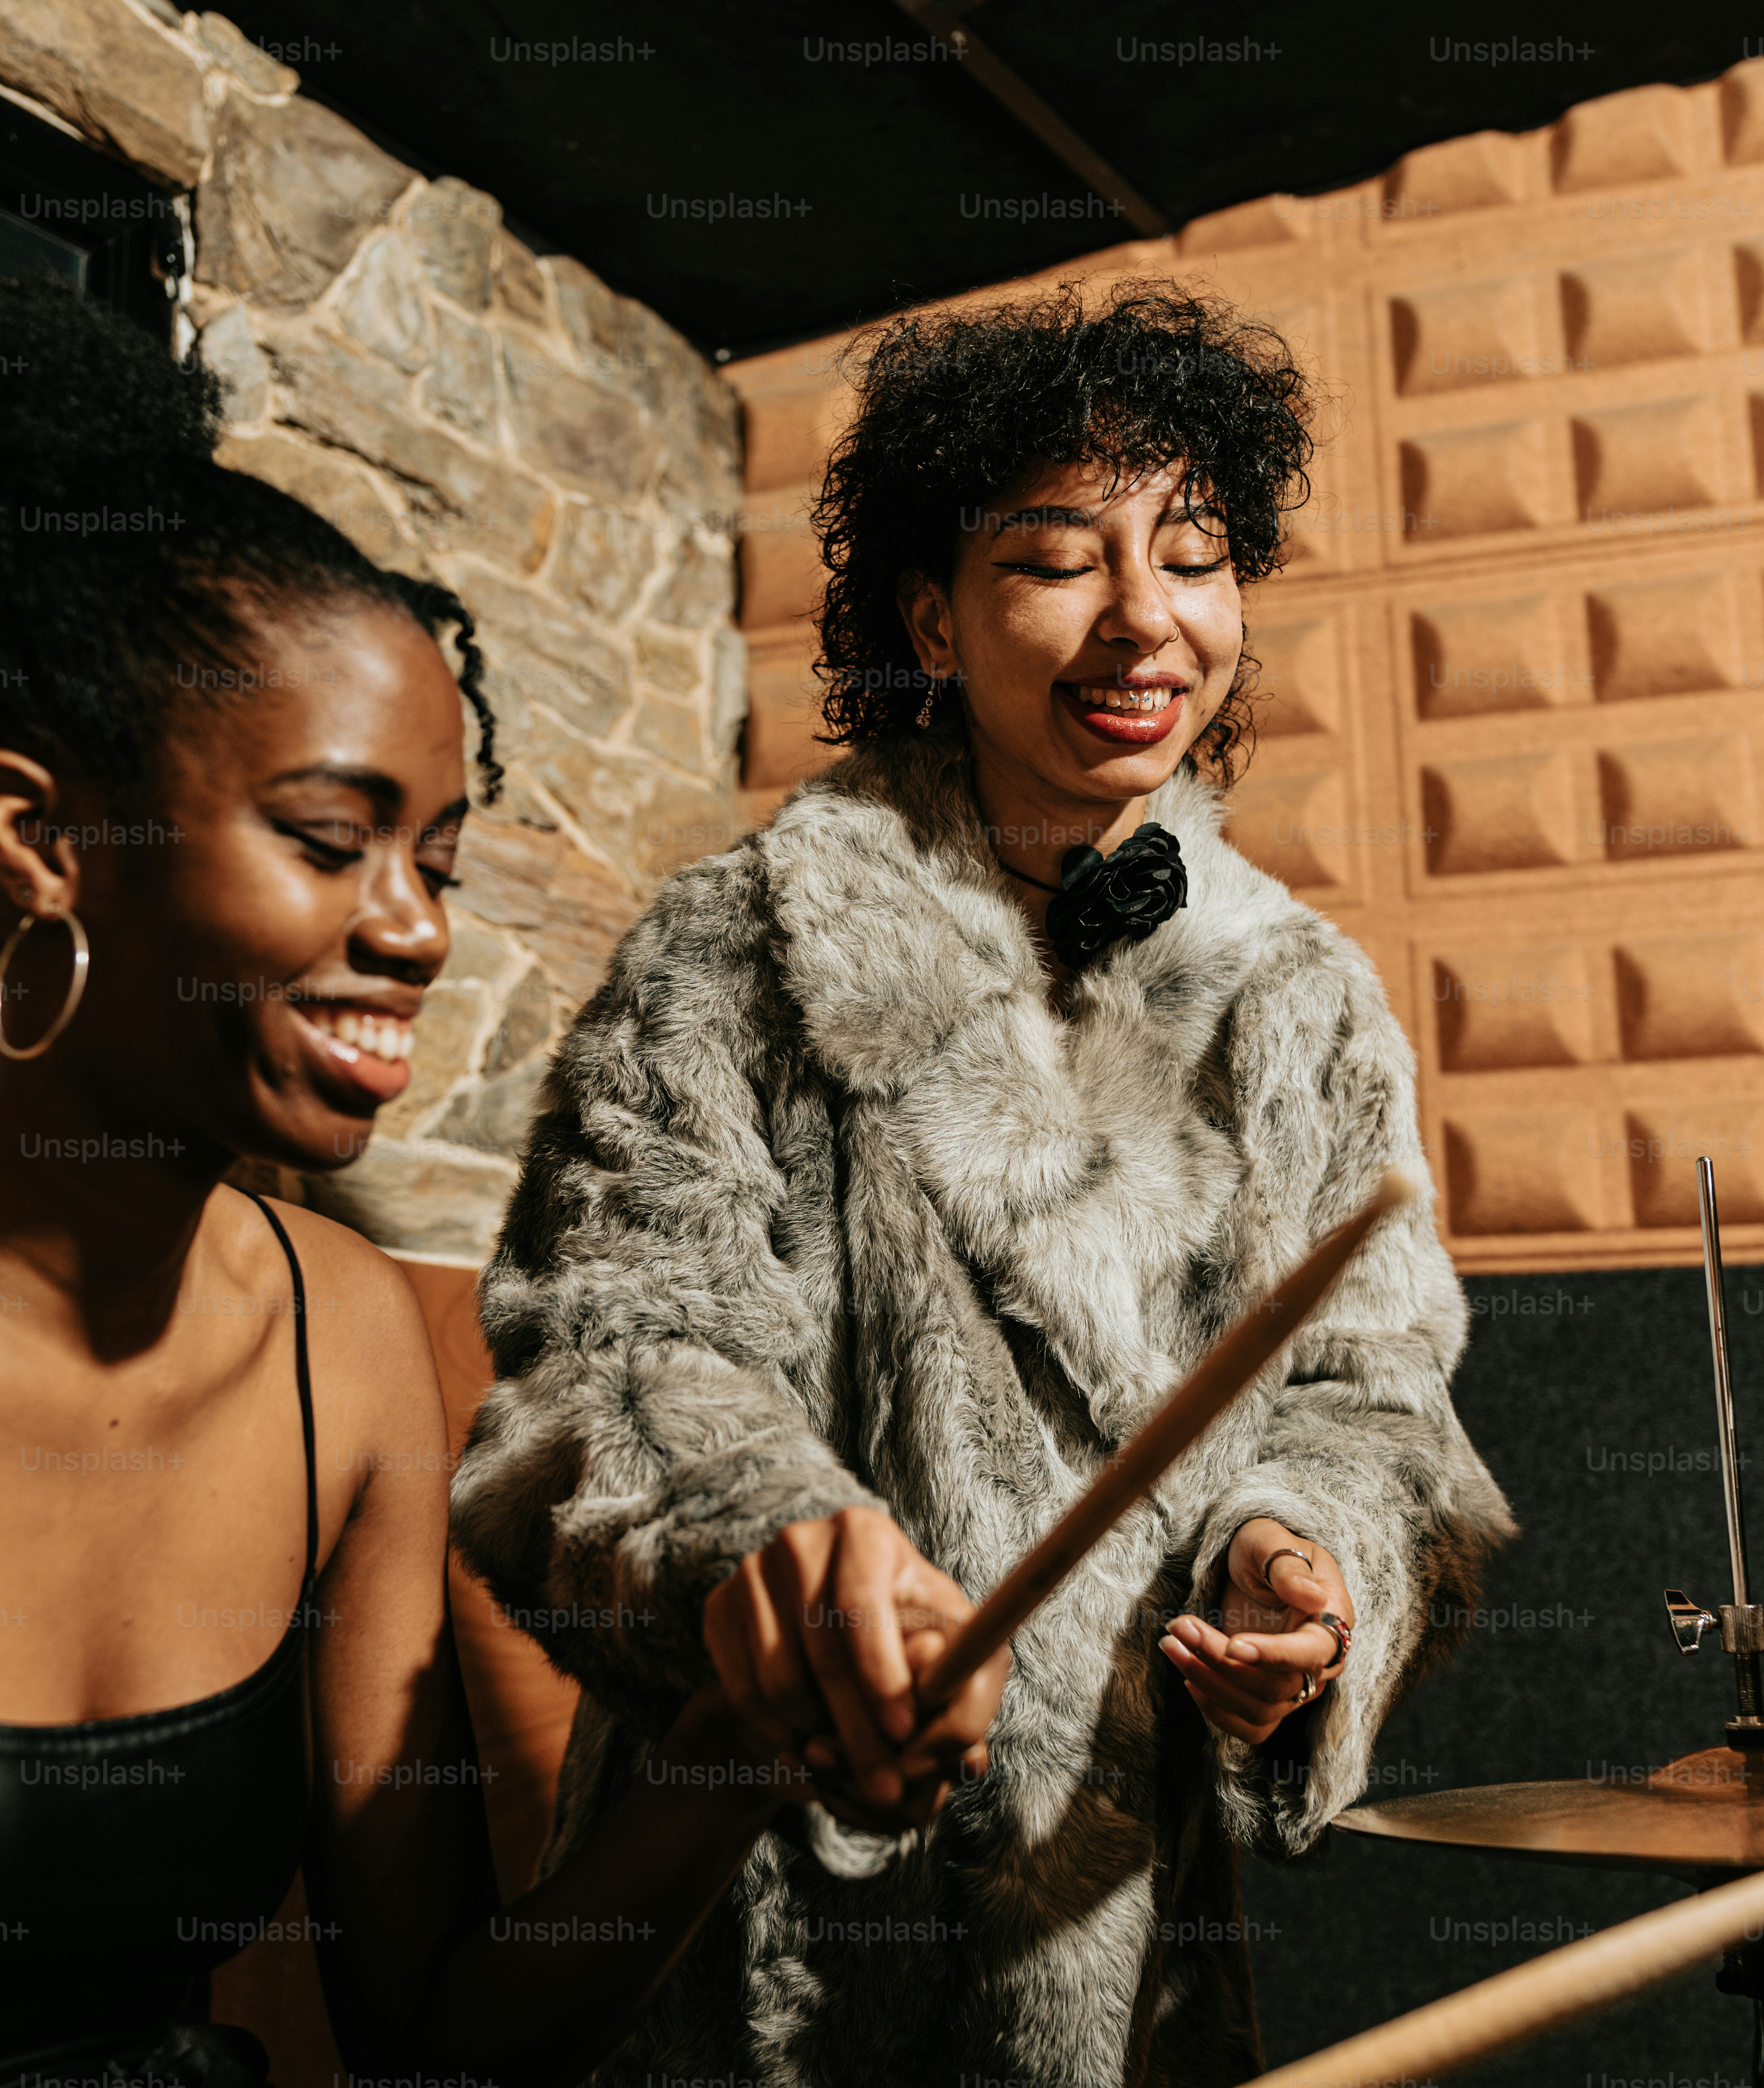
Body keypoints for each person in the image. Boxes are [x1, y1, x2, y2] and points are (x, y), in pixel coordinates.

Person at [0, 276, 999, 2088]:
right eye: (328, 839)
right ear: (40, 837)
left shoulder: (343, 1341)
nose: (415, 930)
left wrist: (736, 1751)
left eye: (438, 862)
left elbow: (443, 2034)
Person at [449, 280, 1520, 2085]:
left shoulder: (1304, 996)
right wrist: (773, 1554)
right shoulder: (736, 941)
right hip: (762, 1919)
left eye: (1191, 555)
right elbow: (610, 1348)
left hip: (1112, 1922)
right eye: (1055, 561)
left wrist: (1298, 1558)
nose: (1142, 621)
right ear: (932, 622)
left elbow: (1376, 1399)